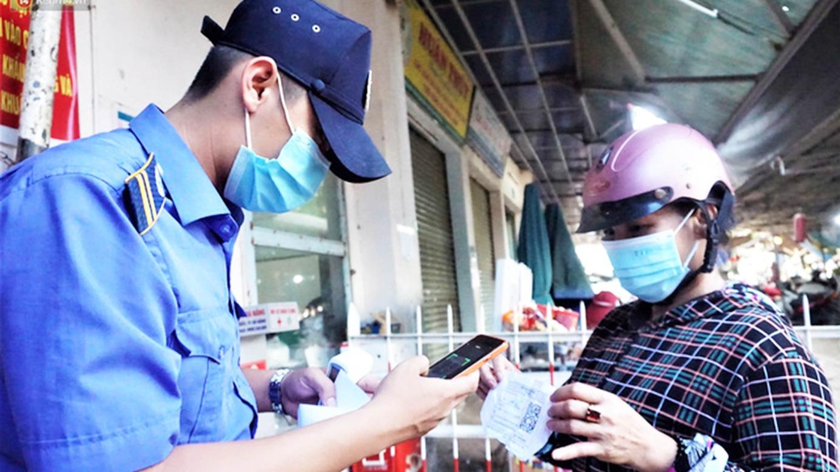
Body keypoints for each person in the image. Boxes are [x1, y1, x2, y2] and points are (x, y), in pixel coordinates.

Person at [0, 1, 478, 471]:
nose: (315, 173)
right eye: (319, 146)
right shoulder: (89, 204)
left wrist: (275, 387)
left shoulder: (200, 217)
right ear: (258, 85)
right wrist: (384, 423)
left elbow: (168, 386)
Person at [479, 125, 837, 472]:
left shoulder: (765, 349)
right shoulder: (617, 327)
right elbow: (587, 449)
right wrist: (521, 404)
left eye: (638, 228)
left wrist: (665, 455)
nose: (621, 246)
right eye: (611, 232)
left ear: (703, 217)